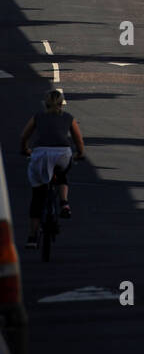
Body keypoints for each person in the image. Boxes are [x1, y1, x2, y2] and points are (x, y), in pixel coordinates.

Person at [20, 89, 85, 247]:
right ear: (62, 103)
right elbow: (78, 140)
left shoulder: (38, 117)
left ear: (45, 103)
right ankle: (64, 203)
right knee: (62, 173)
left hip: (41, 154)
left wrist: (24, 149)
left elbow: (24, 136)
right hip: (62, 153)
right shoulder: (69, 118)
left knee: (38, 196)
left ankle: (32, 237)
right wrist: (80, 154)